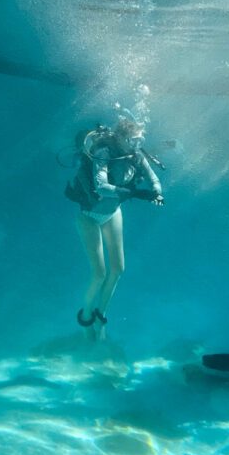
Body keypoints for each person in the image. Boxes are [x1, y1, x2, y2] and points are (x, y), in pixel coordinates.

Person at [65, 119, 164, 340]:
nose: (136, 144)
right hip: (89, 216)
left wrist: (156, 192)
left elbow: (153, 177)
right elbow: (101, 186)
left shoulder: (135, 155)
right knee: (99, 273)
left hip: (112, 213)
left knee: (118, 269)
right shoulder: (104, 152)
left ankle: (101, 316)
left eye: (140, 140)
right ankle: (86, 317)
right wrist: (135, 193)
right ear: (120, 137)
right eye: (133, 140)